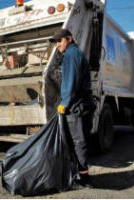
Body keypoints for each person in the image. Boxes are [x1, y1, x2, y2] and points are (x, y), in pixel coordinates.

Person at [50, 29, 95, 188]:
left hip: (76, 107)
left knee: (77, 142)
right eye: (56, 42)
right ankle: (78, 175)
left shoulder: (71, 54)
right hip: (79, 105)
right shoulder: (71, 54)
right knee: (77, 141)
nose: (57, 45)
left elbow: (71, 82)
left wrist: (65, 103)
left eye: (59, 41)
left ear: (69, 39)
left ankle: (84, 179)